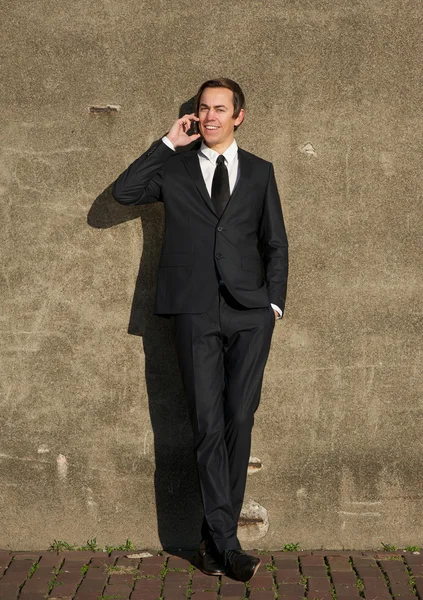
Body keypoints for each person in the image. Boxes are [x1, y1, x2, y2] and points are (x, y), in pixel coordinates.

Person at [111, 78, 288, 582]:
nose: (209, 116)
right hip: (193, 312)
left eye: (219, 109)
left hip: (250, 313)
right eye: (202, 109)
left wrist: (273, 303)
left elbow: (276, 241)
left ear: (239, 116)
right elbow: (124, 193)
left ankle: (215, 542)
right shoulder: (174, 168)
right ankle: (227, 544)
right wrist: (168, 141)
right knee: (207, 425)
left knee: (239, 419)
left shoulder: (259, 172)